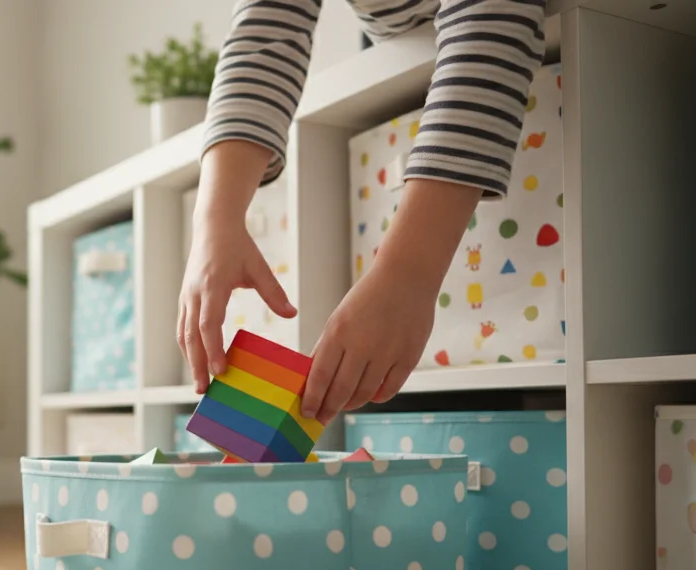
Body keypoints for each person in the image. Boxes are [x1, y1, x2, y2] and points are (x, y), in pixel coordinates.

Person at [179, 0, 547, 425]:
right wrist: (213, 223)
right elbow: (263, 35)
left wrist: (408, 272)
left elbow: (494, 17)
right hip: (410, 74)